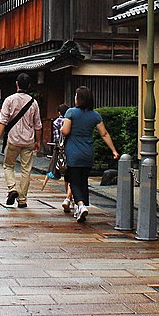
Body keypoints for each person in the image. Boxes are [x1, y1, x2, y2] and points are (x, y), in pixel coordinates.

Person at [61, 85, 118, 223]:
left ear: (79, 99)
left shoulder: (71, 112)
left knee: (74, 181)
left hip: (73, 152)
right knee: (83, 181)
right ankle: (81, 207)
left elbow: (65, 131)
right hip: (88, 152)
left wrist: (63, 126)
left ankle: (81, 205)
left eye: (76, 96)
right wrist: (114, 150)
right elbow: (104, 133)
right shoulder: (95, 115)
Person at [0, 73, 43, 208]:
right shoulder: (34, 103)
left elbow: (2, 121)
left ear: (16, 84)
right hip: (28, 141)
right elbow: (38, 125)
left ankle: (12, 188)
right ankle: (22, 199)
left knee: (8, 165)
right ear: (29, 86)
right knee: (26, 170)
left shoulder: (9, 100)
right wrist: (38, 142)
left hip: (13, 139)